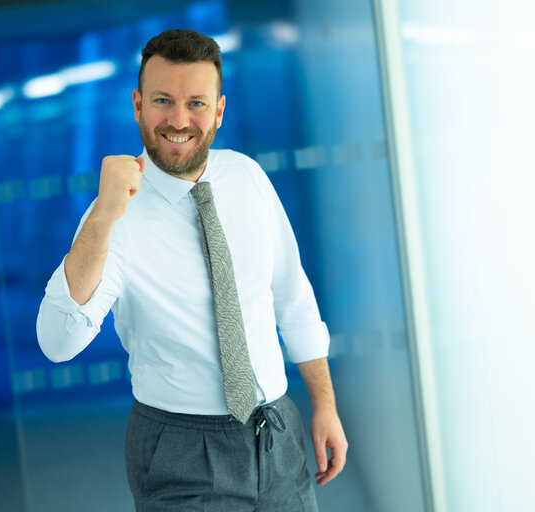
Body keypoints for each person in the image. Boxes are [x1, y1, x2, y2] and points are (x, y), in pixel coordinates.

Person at [36, 29, 347, 511]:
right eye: (162, 100)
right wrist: (102, 214)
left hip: (276, 432)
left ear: (219, 110)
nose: (179, 120)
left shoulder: (247, 177)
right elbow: (58, 343)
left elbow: (293, 298)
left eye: (196, 103)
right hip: (181, 450)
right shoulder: (114, 218)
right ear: (137, 105)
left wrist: (324, 404)